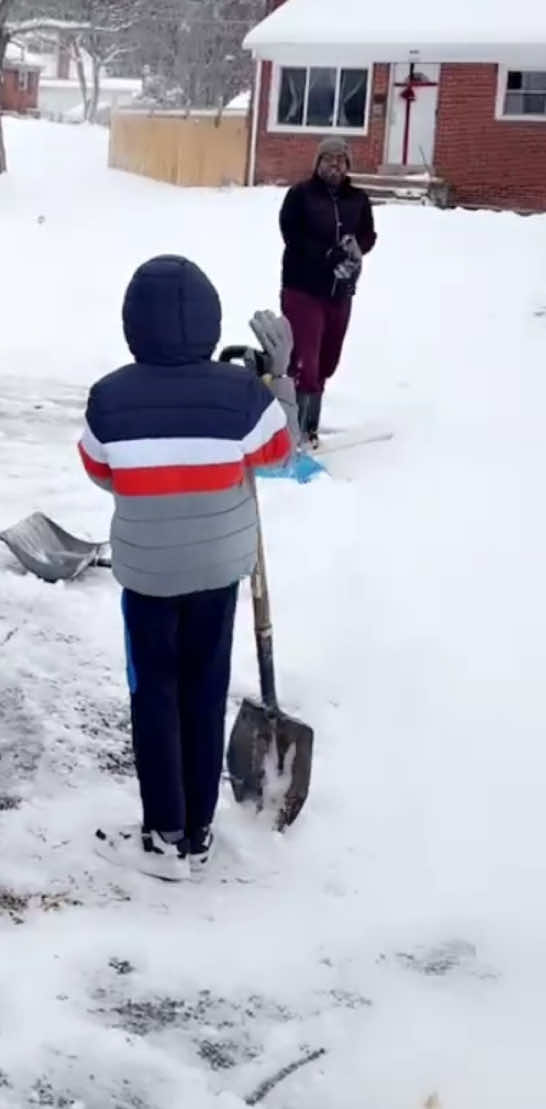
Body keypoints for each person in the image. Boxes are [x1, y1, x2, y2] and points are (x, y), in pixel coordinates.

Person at [81, 255, 296, 881]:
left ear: (132, 323)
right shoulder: (241, 395)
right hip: (217, 575)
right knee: (204, 690)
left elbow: (99, 471)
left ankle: (163, 835)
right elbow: (281, 455)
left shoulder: (109, 397)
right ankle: (198, 832)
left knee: (155, 693)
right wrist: (276, 381)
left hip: (148, 577)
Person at [279, 136, 376, 447]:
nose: (334, 165)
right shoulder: (300, 195)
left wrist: (355, 250)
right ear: (317, 163)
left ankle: (308, 419)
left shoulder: (358, 199)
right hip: (304, 289)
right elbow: (291, 234)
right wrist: (325, 253)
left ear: (347, 165)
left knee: (327, 360)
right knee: (305, 360)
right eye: (328, 159)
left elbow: (368, 234)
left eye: (340, 160)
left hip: (340, 291)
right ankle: (302, 432)